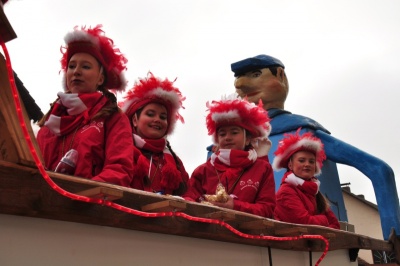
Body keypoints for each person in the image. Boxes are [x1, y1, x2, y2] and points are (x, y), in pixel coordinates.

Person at [230, 54, 400, 239]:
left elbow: (380, 170)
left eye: (255, 74)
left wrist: (393, 239)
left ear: (280, 76)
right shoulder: (230, 145)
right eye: (238, 79)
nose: (241, 85)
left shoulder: (302, 131)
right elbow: (380, 170)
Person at [36, 25, 133, 187]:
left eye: (86, 66)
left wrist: (78, 194)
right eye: (72, 66)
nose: (76, 72)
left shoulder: (113, 118)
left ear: (100, 79)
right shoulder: (49, 123)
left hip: (88, 207)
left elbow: (119, 169)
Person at [184, 94, 275, 217]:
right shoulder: (203, 171)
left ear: (248, 139)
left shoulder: (263, 169)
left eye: (234, 132)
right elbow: (189, 201)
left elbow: (268, 210)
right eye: (222, 134)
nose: (227, 138)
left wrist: (235, 206)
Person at [120, 72, 189, 195]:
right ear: (135, 120)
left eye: (163, 117)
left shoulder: (175, 161)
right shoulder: (121, 149)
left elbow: (188, 194)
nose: (157, 119)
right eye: (150, 114)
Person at [272, 129, 340, 229]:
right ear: (290, 165)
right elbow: (304, 223)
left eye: (311, 161)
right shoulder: (286, 191)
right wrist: (324, 220)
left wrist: (317, 220)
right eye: (301, 160)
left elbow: (336, 225)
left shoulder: (314, 192)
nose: (307, 164)